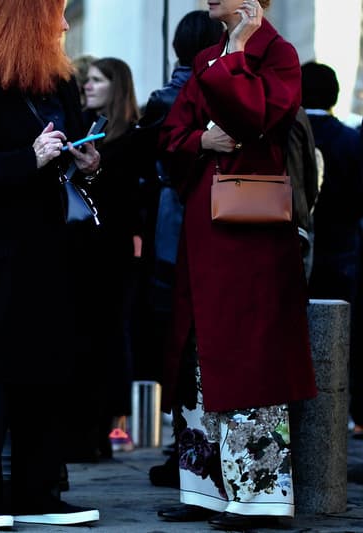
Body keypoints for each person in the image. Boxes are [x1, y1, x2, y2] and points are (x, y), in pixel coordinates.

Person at [0, 0, 101, 528]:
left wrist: (88, 162)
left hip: (47, 248)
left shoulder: (59, 84)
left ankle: (39, 494)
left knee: (45, 368)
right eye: (58, 14)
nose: (66, 25)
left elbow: (70, 154)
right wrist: (27, 158)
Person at [156, 1, 317, 530]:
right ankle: (204, 490)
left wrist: (239, 53)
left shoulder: (277, 53)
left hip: (252, 230)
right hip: (205, 225)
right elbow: (171, 135)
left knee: (250, 350)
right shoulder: (206, 55)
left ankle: (259, 497)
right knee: (198, 349)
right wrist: (200, 139)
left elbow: (255, 117)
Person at [135, 9, 224, 488]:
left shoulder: (164, 99)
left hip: (170, 228)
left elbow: (149, 164)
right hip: (217, 220)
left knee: (176, 341)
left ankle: (184, 450)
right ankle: (204, 452)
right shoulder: (225, 87)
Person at [80, 56, 143, 457]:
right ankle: (95, 425)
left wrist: (96, 173)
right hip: (86, 247)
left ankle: (113, 426)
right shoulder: (89, 130)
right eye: (87, 79)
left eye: (97, 80)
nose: (88, 86)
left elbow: (128, 200)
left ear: (116, 87)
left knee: (110, 334)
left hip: (114, 250)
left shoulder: (131, 137)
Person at [302, 61, 363, 436]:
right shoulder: (351, 141)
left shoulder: (289, 134)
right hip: (342, 251)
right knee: (341, 338)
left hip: (298, 248)